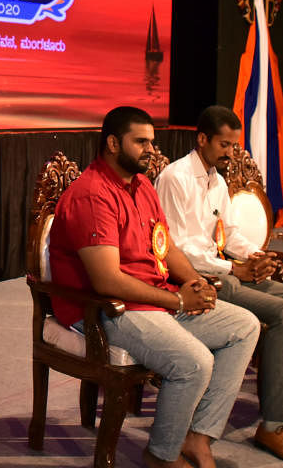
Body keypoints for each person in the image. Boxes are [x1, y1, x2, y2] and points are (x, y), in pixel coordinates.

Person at [49, 106, 259, 468]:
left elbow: (168, 248)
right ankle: (160, 456)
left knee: (244, 326)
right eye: (141, 141)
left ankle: (198, 438)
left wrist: (193, 281)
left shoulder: (142, 184)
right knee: (194, 363)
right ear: (113, 143)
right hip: (107, 309)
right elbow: (107, 280)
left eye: (152, 141)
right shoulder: (92, 195)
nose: (151, 149)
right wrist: (177, 299)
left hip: (152, 298)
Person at [156, 106, 283, 465]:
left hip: (226, 270)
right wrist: (234, 266)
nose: (230, 153)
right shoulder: (176, 177)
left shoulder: (216, 180)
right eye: (224, 144)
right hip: (200, 279)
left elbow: (230, 233)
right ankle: (273, 425)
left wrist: (255, 255)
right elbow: (177, 249)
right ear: (201, 139)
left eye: (234, 146)